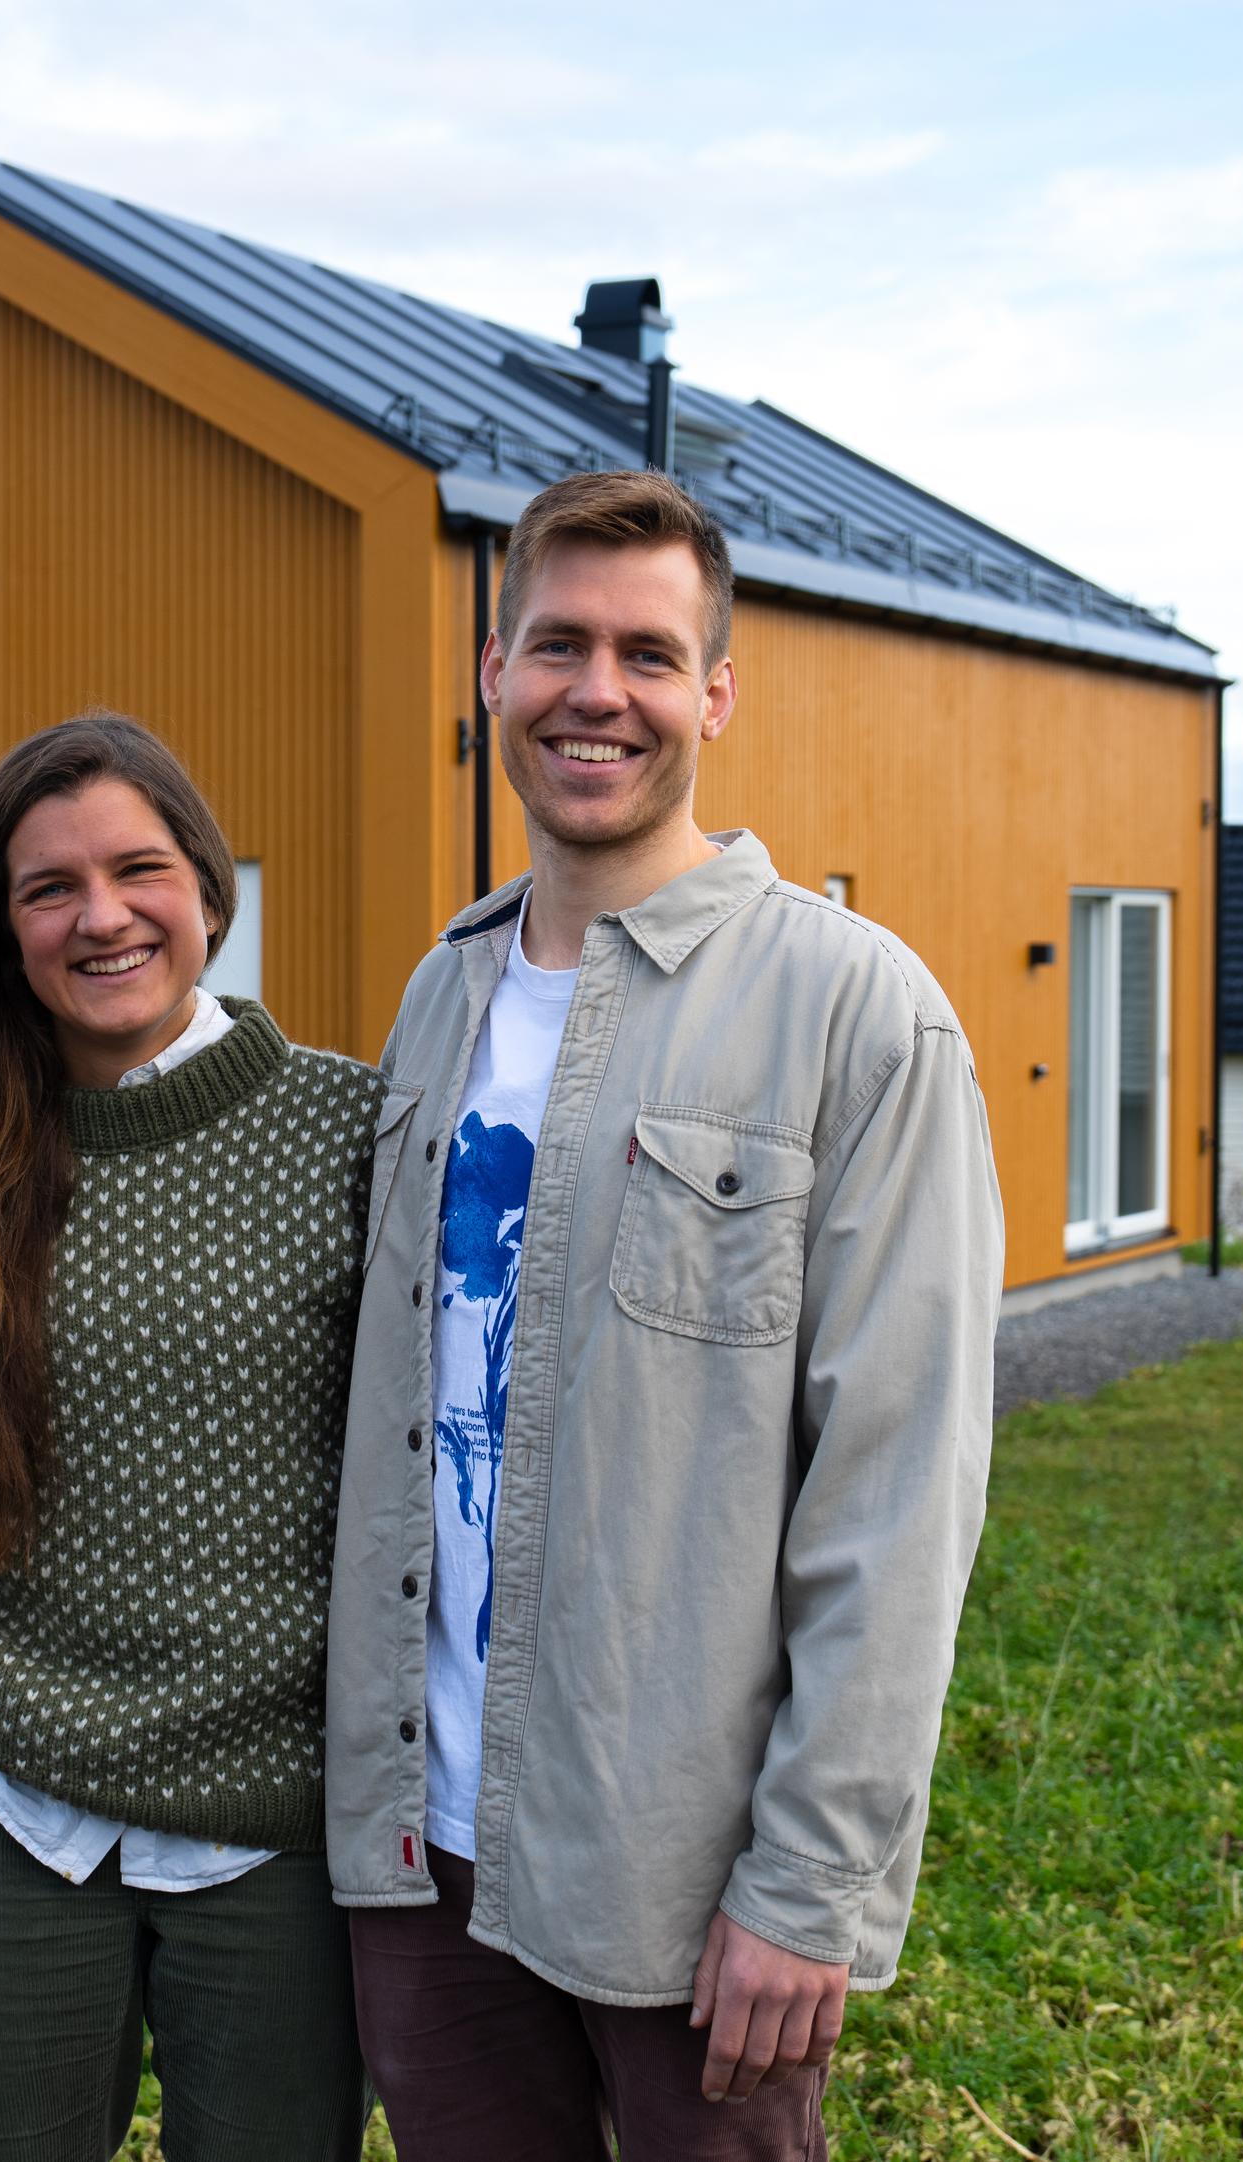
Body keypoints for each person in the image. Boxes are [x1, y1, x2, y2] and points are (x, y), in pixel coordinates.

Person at [328, 470, 1005, 2157]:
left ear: (715, 692)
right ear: (492, 669)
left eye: (647, 652)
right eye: (556, 643)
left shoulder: (857, 1012)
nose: (595, 692)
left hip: (684, 1871)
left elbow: (901, 1489)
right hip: (423, 1844)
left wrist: (810, 1879)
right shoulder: (444, 989)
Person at [0, 713, 383, 2161]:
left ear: (206, 885)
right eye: (48, 887)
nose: (102, 914)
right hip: (18, 1802)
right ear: (2, 930)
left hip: (284, 1824)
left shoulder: (352, 1128)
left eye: (139, 867)